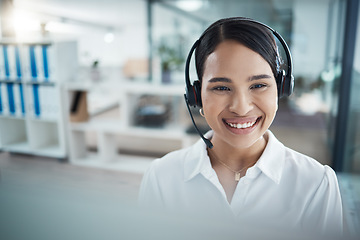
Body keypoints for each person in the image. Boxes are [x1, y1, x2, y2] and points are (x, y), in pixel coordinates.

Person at [138, 17, 343, 237]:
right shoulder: (162, 177)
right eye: (222, 87)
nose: (241, 108)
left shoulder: (316, 183)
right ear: (196, 96)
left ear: (280, 89)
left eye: (258, 85)